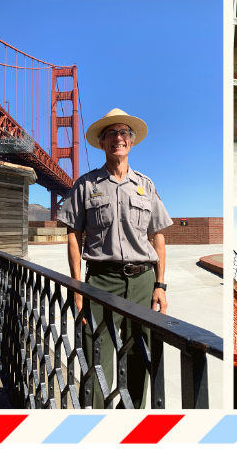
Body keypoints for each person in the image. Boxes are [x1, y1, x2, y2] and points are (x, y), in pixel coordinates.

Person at [58, 108, 171, 409]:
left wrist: (160, 284)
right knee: (96, 355)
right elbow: (73, 235)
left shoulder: (146, 185)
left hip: (144, 280)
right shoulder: (85, 186)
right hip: (100, 281)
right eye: (111, 133)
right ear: (102, 142)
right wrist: (76, 285)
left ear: (131, 142)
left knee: (140, 354)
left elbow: (158, 236)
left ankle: (131, 422)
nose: (118, 138)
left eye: (123, 133)